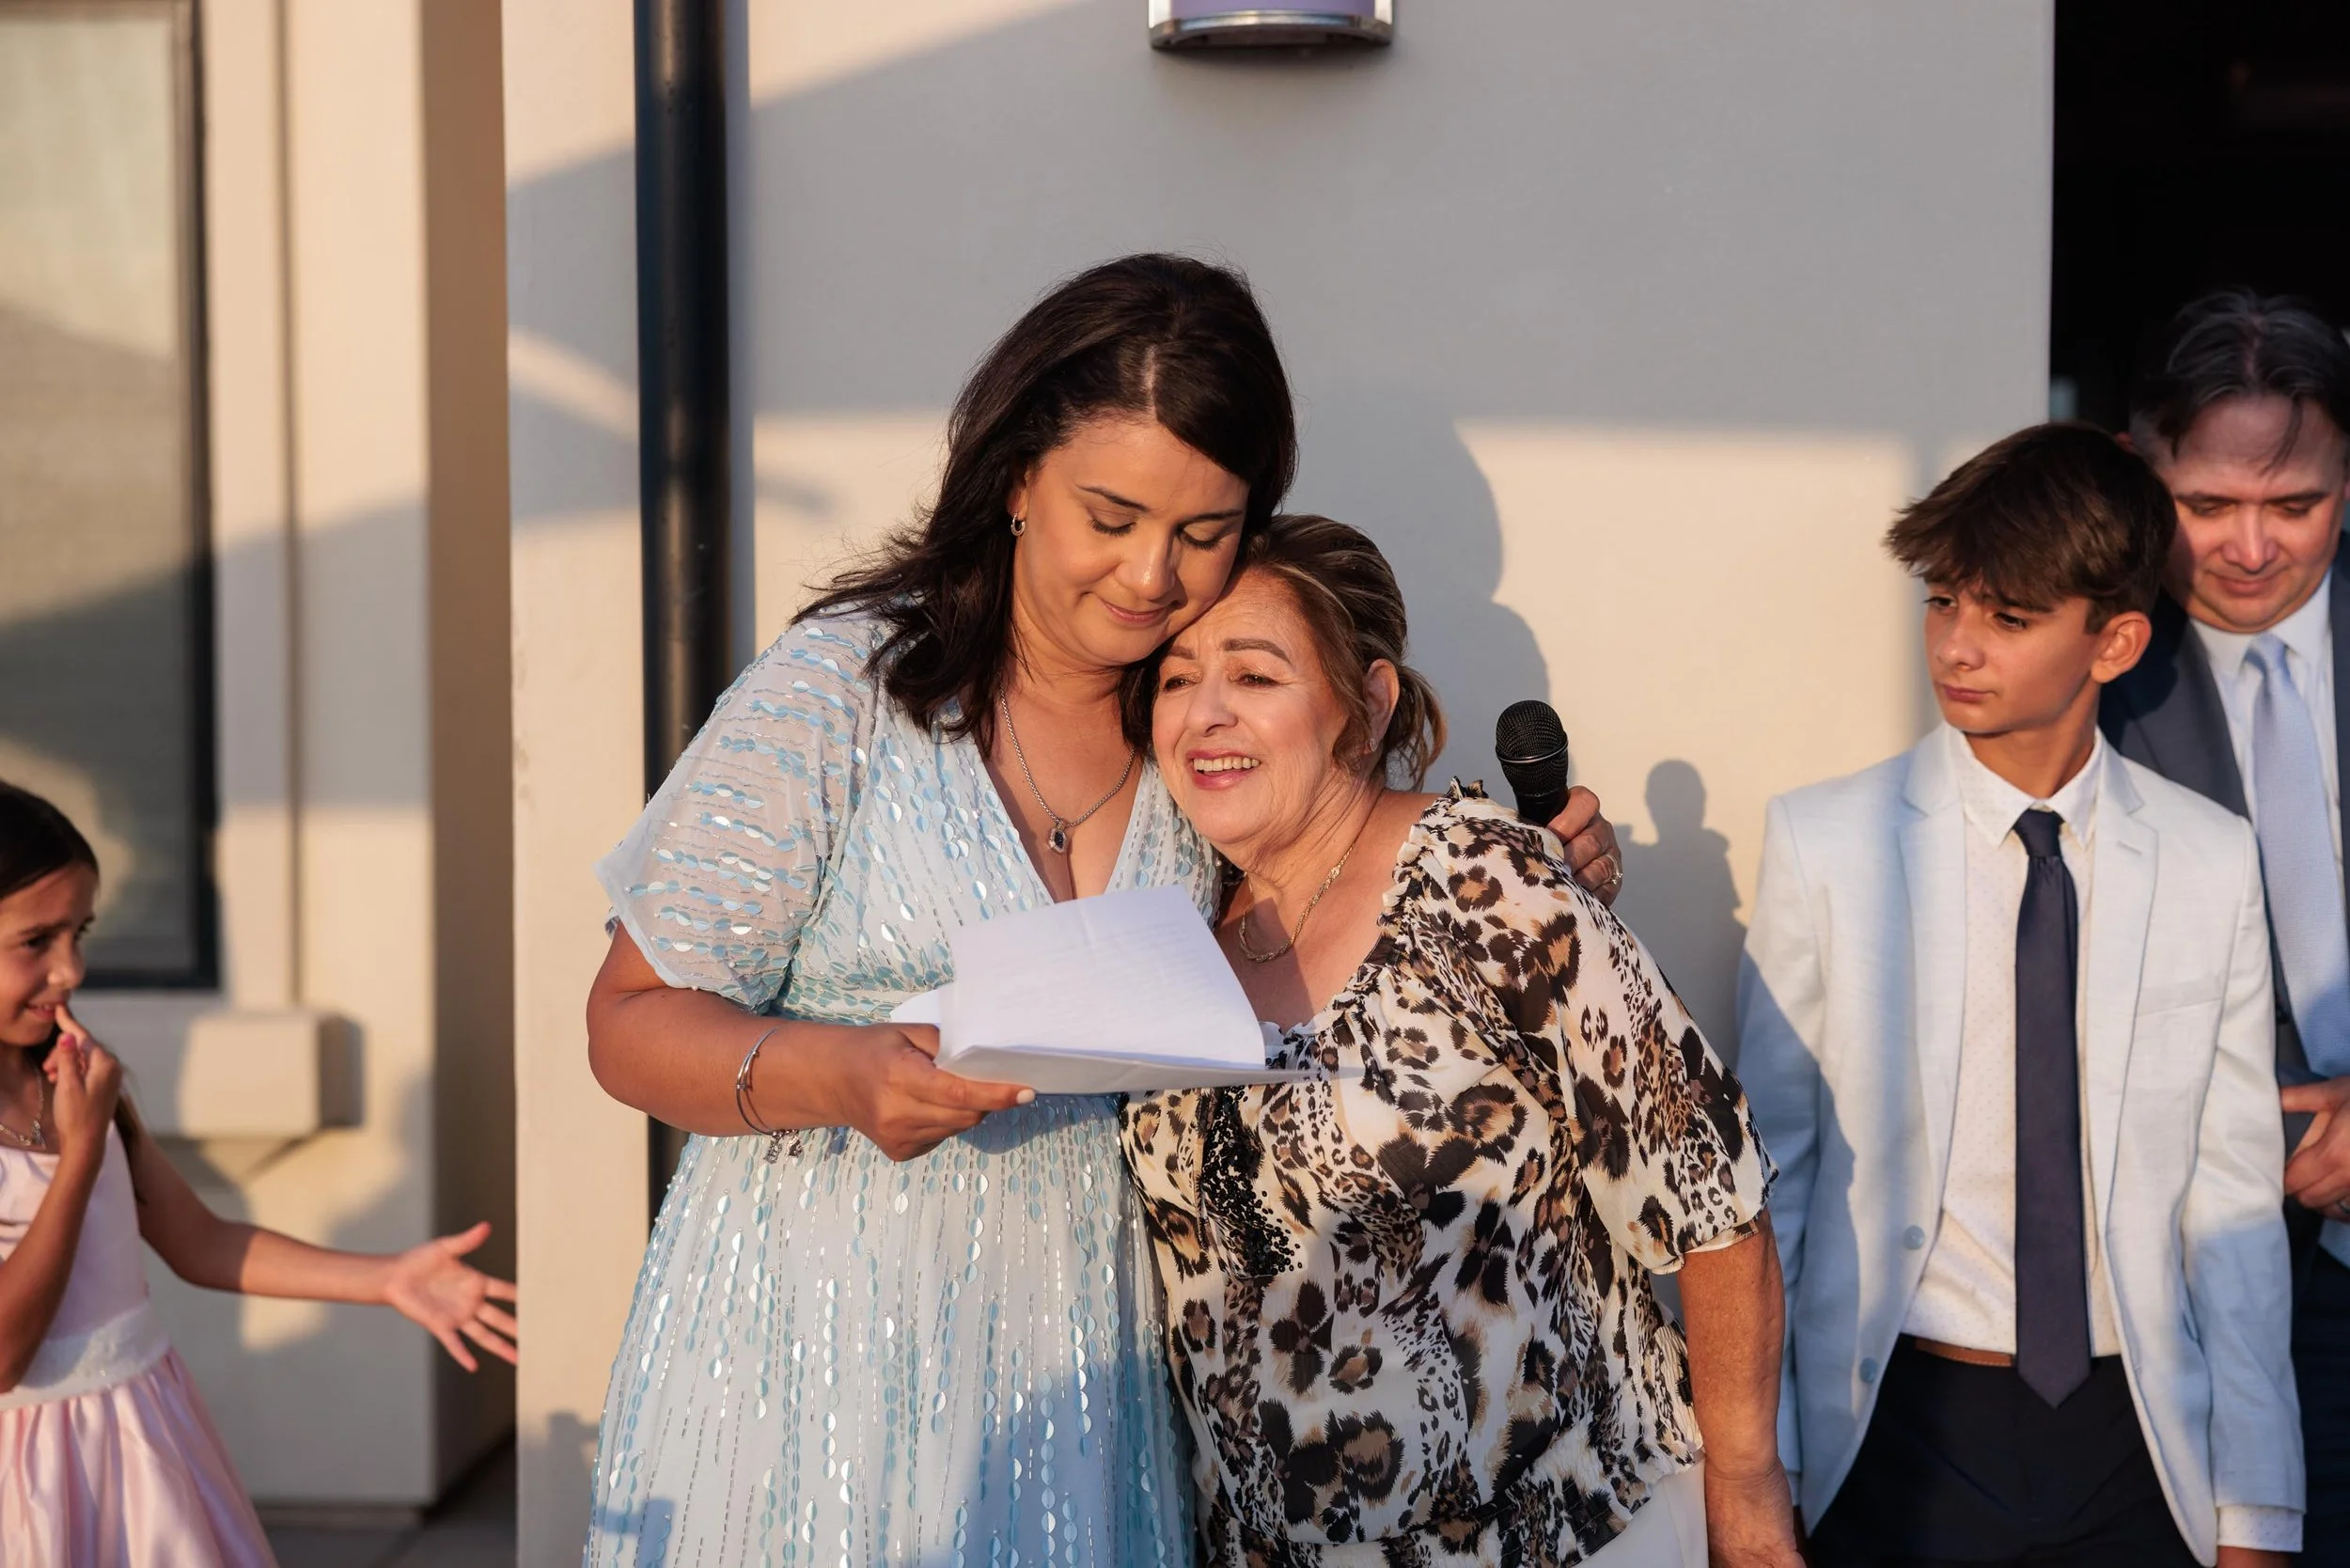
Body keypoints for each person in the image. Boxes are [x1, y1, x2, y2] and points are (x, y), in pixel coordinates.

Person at [581, 259, 1626, 1564]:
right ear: (1017, 477)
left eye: (1204, 532)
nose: (1151, 577)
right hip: (809, 1351)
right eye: (1113, 516)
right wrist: (838, 1071)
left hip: (1092, 1366)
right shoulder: (842, 690)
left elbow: (1335, 895)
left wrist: (1521, 870)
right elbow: (624, 1019)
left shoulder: (1197, 728)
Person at [1128, 514, 1794, 1567]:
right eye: (1173, 680)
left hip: (1563, 1537)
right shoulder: (1165, 922)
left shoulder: (1489, 882)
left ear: (1367, 703)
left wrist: (1748, 1500)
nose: (1205, 714)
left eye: (1254, 676)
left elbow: (1709, 1197)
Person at [1741, 424, 2301, 1566]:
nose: (1956, 646)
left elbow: (2233, 1211)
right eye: (1942, 602)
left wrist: (2256, 1511)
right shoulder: (1826, 843)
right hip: (1900, 1420)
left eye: (2006, 617)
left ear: (2115, 641)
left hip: (2137, 1433)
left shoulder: (2208, 857)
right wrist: (1763, 1473)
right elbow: (1766, 1186)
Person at [0, 781, 518, 1567]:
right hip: (27, 1483)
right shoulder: (82, 1114)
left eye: (82, 932)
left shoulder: (73, 1081)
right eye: (36, 942)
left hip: (144, 1447)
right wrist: (78, 1157)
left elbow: (200, 1241)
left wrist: (387, 1279)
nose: (70, 969)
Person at [2098, 288, 2350, 1563]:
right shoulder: (2084, 675)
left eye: (2294, 504)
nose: (2252, 548)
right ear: (2147, 474)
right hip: (2186, 1289)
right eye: (2208, 507)